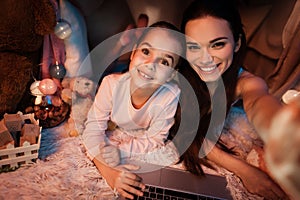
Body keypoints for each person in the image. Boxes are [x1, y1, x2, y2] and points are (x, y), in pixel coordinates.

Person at [177, 0, 299, 199]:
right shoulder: (174, 71)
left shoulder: (247, 83)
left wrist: (282, 128)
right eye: (194, 47)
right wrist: (245, 171)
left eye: (217, 44)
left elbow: (258, 102)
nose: (205, 58)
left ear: (237, 44)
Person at [82, 21, 185, 199]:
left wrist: (121, 151)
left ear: (172, 74)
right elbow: (92, 130)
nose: (149, 64)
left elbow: (156, 138)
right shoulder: (110, 85)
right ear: (133, 52)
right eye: (146, 51)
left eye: (164, 62)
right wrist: (109, 172)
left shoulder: (170, 95)